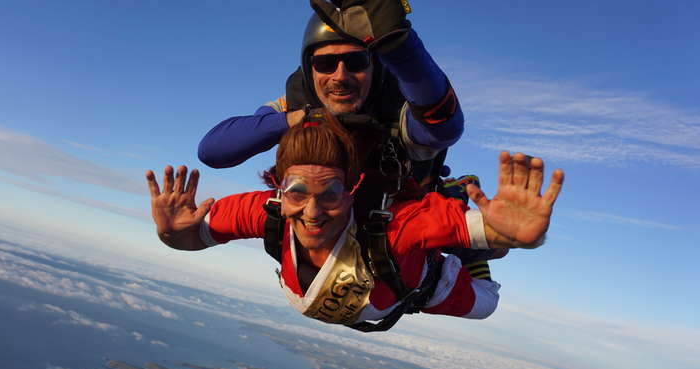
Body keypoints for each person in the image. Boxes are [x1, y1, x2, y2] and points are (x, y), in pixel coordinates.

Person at [147, 114, 564, 331]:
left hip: (426, 282)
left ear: (352, 188)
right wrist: (171, 235)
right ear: (277, 187)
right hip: (388, 287)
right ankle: (448, 202)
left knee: (486, 301)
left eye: (329, 194)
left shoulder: (400, 227)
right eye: (296, 194)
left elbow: (497, 233)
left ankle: (450, 198)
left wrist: (515, 234)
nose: (311, 213)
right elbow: (194, 235)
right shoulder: (266, 211)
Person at [197, 0, 462, 192]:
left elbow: (443, 129)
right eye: (325, 64)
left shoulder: (400, 106)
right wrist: (304, 117)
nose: (340, 76)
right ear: (308, 69)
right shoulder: (295, 103)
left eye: (356, 61)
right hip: (320, 221)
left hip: (398, 225)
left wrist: (401, 50)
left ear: (376, 67)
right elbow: (213, 151)